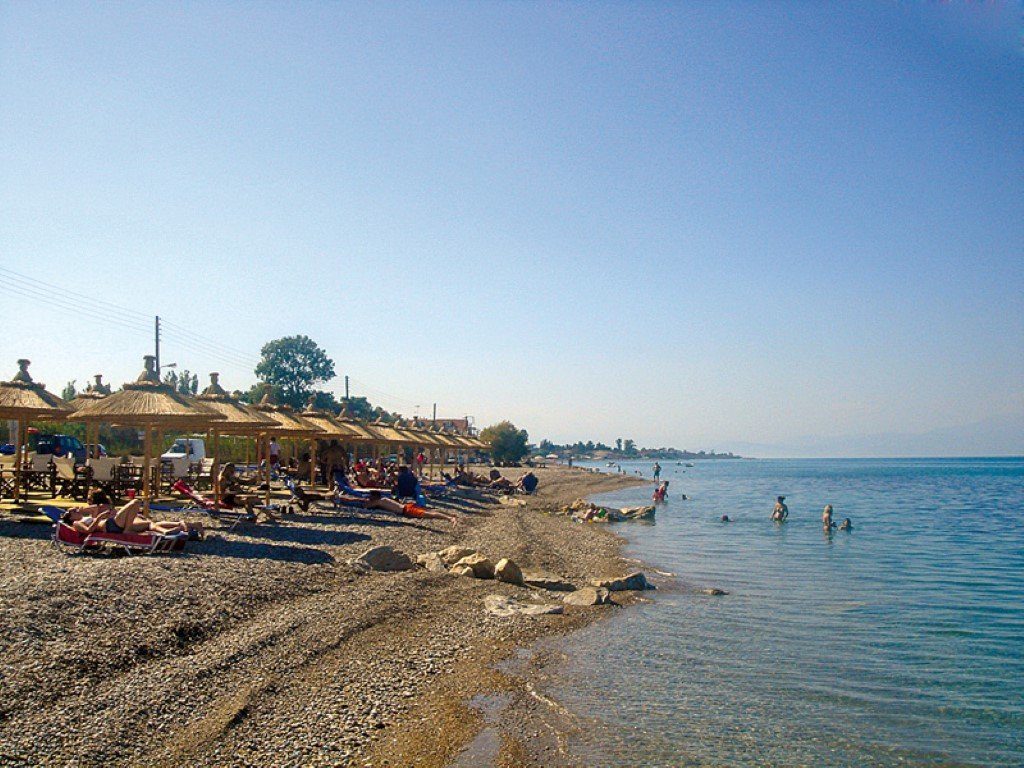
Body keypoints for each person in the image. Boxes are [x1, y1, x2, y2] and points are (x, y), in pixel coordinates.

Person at [364, 490, 457, 526]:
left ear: (375, 496)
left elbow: (366, 506)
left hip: (407, 510)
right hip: (408, 505)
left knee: (429, 514)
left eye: (370, 496)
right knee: (430, 511)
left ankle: (450, 518)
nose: (369, 497)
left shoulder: (379, 501)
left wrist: (362, 500)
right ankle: (450, 515)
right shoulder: (384, 499)